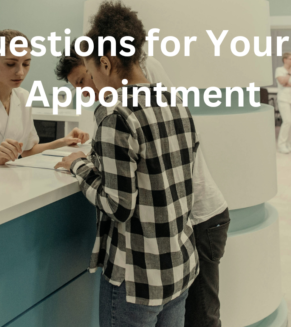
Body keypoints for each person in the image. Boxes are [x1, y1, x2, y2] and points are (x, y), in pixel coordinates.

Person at [56, 40, 230, 327]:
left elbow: (119, 202)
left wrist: (79, 165)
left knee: (204, 320)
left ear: (105, 64)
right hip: (177, 251)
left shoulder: (122, 111)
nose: (85, 91)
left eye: (84, 77)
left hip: (194, 224)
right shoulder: (168, 103)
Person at [0, 29, 89, 174]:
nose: (20, 72)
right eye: (11, 64)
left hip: (13, 186)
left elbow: (28, 150)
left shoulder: (23, 97)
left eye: (26, 64)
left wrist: (63, 141)